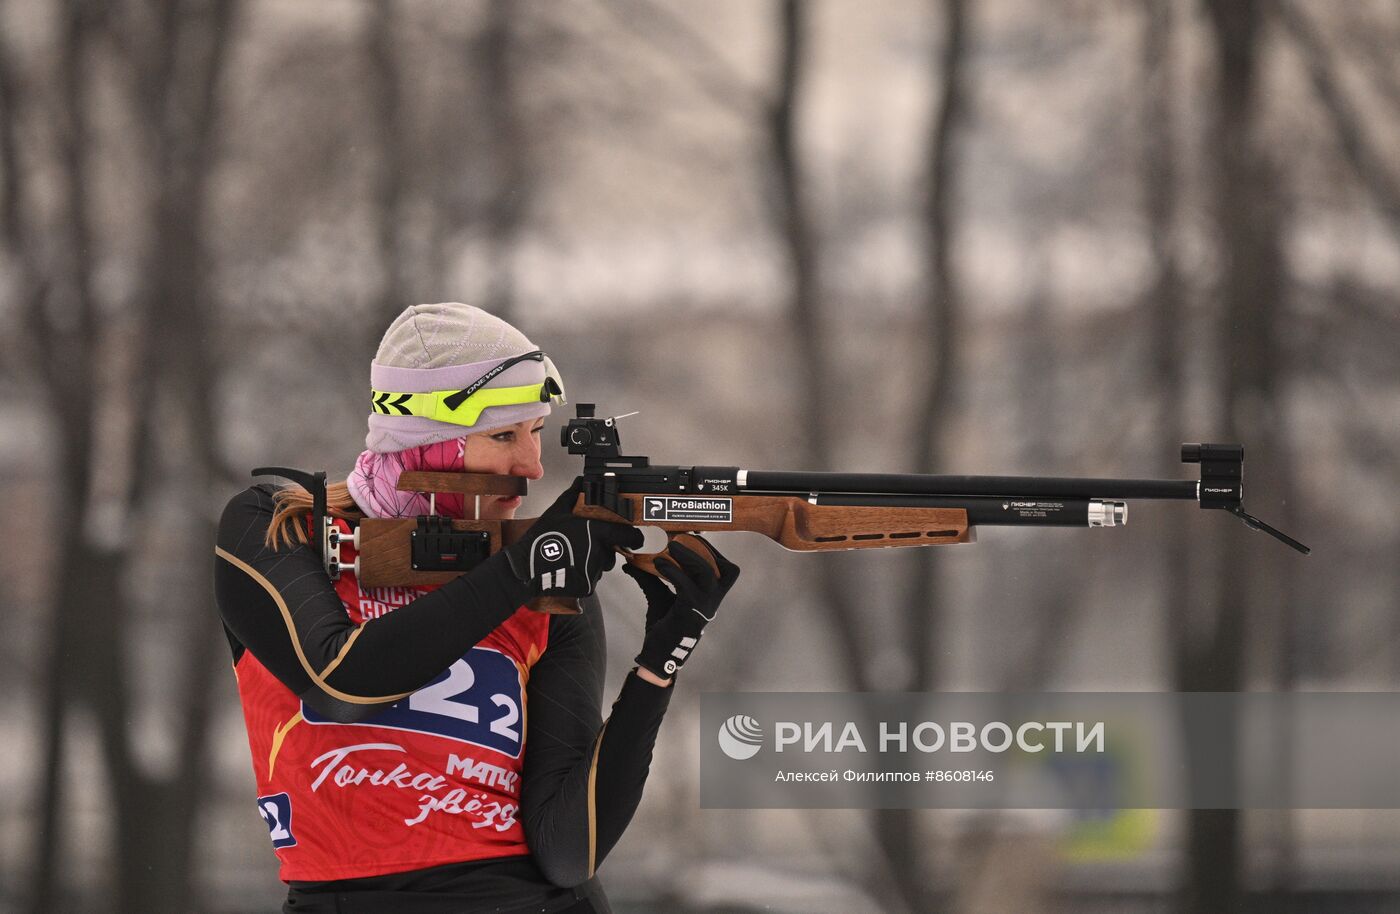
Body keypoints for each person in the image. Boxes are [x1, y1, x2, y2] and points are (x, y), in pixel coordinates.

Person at [214, 302, 739, 914]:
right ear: (426, 444)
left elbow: (569, 849)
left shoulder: (540, 585)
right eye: (503, 436)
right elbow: (339, 679)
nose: (534, 466)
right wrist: (522, 570)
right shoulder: (280, 530)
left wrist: (659, 664)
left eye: (537, 432)